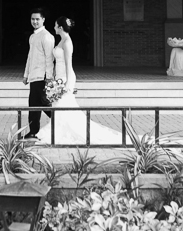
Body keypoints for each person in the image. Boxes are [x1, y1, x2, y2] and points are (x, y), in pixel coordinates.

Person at [38, 17, 124, 145]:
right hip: (59, 77)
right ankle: (57, 130)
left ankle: (64, 132)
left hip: (66, 77)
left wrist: (67, 83)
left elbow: (68, 64)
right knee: (57, 105)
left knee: (63, 104)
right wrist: (54, 78)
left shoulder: (67, 42)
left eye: (55, 25)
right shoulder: (61, 40)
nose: (54, 27)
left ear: (60, 27)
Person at [22, 8, 55, 140]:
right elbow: (30, 57)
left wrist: (49, 77)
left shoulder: (46, 36)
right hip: (34, 76)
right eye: (33, 19)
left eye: (37, 19)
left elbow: (49, 58)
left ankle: (61, 120)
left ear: (43, 20)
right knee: (33, 105)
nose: (35, 21)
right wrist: (26, 75)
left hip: (42, 77)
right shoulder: (32, 36)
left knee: (44, 104)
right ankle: (33, 131)